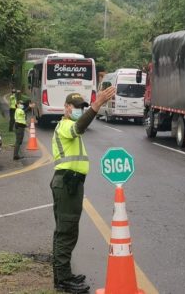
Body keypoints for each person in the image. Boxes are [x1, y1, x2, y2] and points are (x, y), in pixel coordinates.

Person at [50, 87, 115, 293]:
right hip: (67, 183)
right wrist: (96, 106)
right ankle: (62, 280)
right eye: (76, 107)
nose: (79, 110)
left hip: (73, 184)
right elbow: (79, 126)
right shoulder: (64, 126)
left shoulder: (72, 126)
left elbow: (80, 126)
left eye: (82, 107)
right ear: (67, 107)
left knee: (68, 230)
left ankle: (63, 274)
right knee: (66, 231)